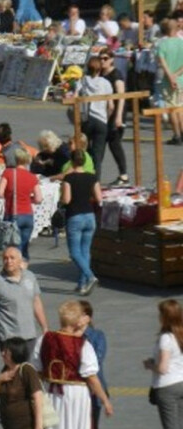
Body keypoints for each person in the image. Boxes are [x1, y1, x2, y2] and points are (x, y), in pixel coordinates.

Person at [33, 301, 113, 429]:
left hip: (53, 391)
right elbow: (91, 377)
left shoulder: (45, 339)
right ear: (78, 321)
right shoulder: (82, 344)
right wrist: (105, 400)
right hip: (77, 394)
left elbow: (36, 368)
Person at [0, 246, 49, 354]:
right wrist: (1, 315)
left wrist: (44, 327)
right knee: (14, 366)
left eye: (12, 258)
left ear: (20, 260)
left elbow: (36, 302)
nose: (8, 261)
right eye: (5, 258)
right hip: (9, 337)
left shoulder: (30, 277)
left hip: (29, 334)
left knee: (26, 367)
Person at [144, 299, 183, 429]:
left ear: (165, 316)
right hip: (182, 383)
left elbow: (163, 367)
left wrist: (150, 364)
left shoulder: (166, 337)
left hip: (167, 387)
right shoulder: (181, 333)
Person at [61, 149, 102, 294]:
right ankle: (81, 284)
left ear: (71, 162)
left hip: (75, 216)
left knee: (74, 253)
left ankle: (90, 276)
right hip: (90, 216)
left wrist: (60, 200)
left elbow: (67, 199)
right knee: (85, 251)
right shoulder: (92, 177)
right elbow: (99, 198)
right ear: (84, 161)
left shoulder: (69, 179)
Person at [0, 148, 43, 260]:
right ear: (27, 161)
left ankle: (15, 272)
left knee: (13, 248)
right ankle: (24, 268)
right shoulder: (32, 177)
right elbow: (39, 199)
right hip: (27, 215)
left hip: (12, 214)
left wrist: (9, 196)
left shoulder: (8, 173)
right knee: (24, 247)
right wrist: (27, 198)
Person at [79, 301, 108, 429]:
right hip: (74, 391)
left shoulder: (97, 335)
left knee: (92, 428)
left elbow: (97, 360)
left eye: (80, 315)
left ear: (88, 318)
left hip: (95, 389)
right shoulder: (69, 335)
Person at [98, 47, 130, 186]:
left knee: (115, 143)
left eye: (105, 58)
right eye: (100, 58)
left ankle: (123, 175)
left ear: (112, 60)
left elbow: (121, 97)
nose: (102, 61)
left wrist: (119, 117)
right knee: (101, 144)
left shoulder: (116, 75)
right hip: (104, 113)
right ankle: (95, 174)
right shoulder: (100, 74)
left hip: (116, 113)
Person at [78, 58, 113, 178]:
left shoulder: (82, 81)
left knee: (84, 150)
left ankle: (84, 175)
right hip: (101, 119)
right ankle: (96, 181)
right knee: (98, 154)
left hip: (87, 118)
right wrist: (106, 118)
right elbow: (111, 106)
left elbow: (74, 96)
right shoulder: (105, 83)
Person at [157, 20, 183, 145]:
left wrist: (170, 77)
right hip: (181, 79)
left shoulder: (163, 44)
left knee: (172, 108)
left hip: (168, 81)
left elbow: (163, 62)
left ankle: (177, 135)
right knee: (180, 107)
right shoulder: (181, 43)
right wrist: (177, 75)